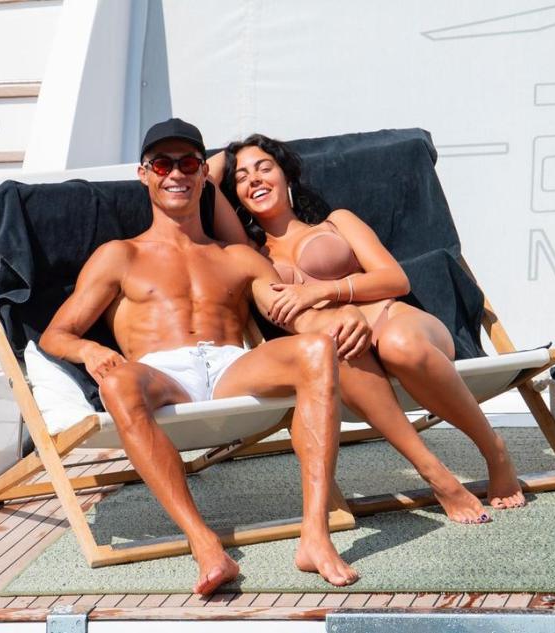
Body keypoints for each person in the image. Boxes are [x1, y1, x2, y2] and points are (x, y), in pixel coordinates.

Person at [40, 119, 366, 594]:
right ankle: (204, 542)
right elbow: (56, 334)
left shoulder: (238, 256)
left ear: (202, 176)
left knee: (316, 350)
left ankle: (315, 535)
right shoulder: (120, 255)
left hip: (233, 366)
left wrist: (340, 315)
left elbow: (293, 316)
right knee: (117, 383)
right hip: (162, 374)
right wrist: (88, 349)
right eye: (162, 164)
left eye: (189, 163)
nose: (176, 173)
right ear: (144, 174)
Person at [208, 134, 526, 522]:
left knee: (397, 344)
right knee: (332, 348)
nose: (254, 180)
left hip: (395, 319)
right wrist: (229, 156)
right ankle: (434, 473)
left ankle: (495, 451)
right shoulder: (248, 252)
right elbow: (206, 178)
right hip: (343, 349)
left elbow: (395, 279)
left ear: (287, 175)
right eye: (242, 177)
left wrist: (323, 291)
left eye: (264, 168)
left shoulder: (336, 222)